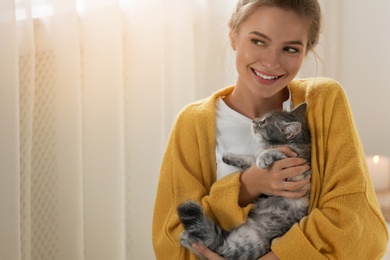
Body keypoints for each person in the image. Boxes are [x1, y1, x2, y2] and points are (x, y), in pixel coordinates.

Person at [152, 0, 389, 259]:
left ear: (306, 50)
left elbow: (359, 226)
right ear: (233, 35)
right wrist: (246, 185)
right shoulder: (192, 123)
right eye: (258, 41)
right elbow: (171, 243)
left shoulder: (324, 101)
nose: (271, 62)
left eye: (290, 48)